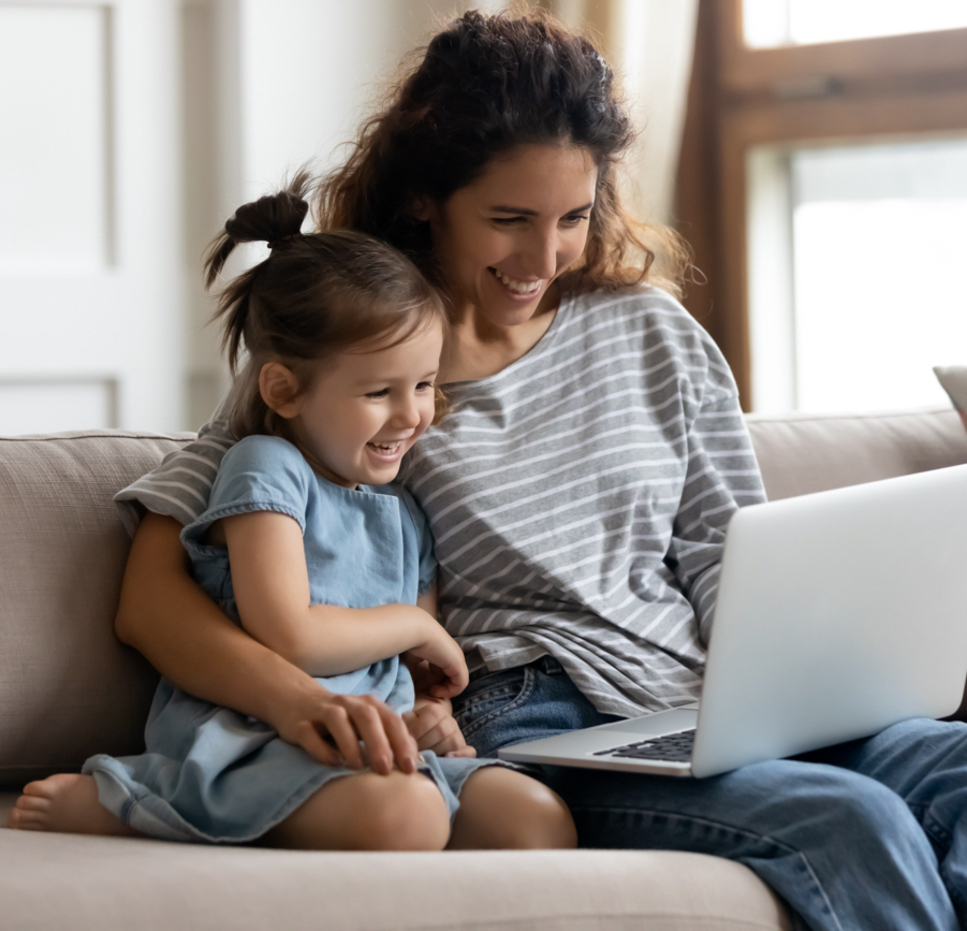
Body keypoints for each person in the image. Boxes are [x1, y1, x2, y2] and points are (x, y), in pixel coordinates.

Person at [13, 8, 967, 926]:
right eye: (509, 217)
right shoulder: (363, 359)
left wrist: (794, 692)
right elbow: (152, 595)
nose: (542, 256)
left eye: (572, 217)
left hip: (699, 703)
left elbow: (728, 558)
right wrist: (303, 701)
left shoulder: (654, 334)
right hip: (532, 720)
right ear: (427, 197)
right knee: (849, 820)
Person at [5, 175, 576, 851]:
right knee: (408, 817)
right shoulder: (265, 465)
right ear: (283, 389)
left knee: (537, 818)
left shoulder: (404, 509)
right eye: (378, 391)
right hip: (255, 734)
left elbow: (418, 668)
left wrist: (432, 710)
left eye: (423, 384)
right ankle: (144, 794)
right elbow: (290, 634)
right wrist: (413, 625)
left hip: (376, 742)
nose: (412, 414)